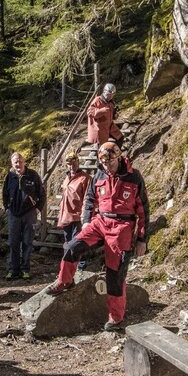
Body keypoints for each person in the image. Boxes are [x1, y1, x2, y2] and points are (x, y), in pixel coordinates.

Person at [46, 141, 148, 331]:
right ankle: (65, 280)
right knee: (71, 247)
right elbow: (90, 199)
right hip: (100, 221)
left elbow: (143, 211)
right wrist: (86, 220)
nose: (107, 166)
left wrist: (142, 239)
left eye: (110, 162)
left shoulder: (134, 177)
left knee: (115, 273)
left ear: (118, 157)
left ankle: (116, 317)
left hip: (122, 226)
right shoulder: (99, 174)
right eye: (103, 163)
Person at [1, 152, 44, 281]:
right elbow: (4, 194)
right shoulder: (10, 176)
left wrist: (38, 209)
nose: (18, 164)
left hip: (29, 213)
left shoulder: (33, 175)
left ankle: (25, 269)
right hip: (14, 214)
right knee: (13, 243)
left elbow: (42, 193)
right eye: (15, 162)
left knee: (27, 242)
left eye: (20, 161)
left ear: (24, 162)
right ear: (12, 163)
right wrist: (7, 207)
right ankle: (13, 270)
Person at [56, 152, 91, 271]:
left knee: (78, 243)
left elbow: (88, 198)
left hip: (78, 216)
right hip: (66, 216)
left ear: (78, 162)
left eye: (74, 163)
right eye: (69, 164)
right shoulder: (66, 178)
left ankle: (81, 267)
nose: (71, 166)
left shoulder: (85, 178)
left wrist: (85, 216)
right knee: (68, 242)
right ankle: (69, 268)